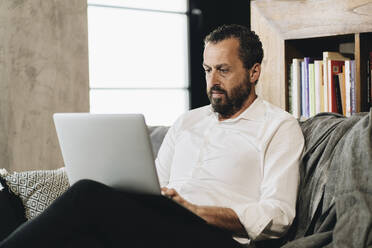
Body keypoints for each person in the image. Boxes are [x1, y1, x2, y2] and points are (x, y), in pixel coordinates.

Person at [0, 24, 304, 248]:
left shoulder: (278, 127)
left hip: (217, 237)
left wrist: (198, 211)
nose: (212, 81)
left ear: (253, 72)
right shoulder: (187, 122)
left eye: (223, 70)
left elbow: (277, 215)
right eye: (207, 69)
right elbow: (153, 185)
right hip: (164, 226)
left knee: (86, 193)